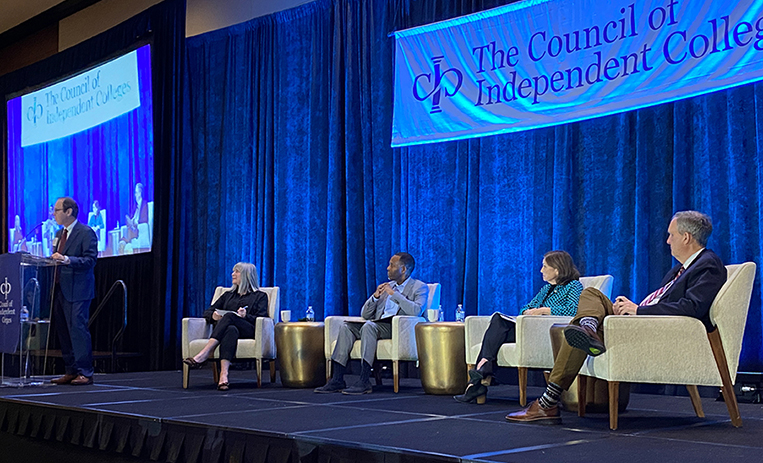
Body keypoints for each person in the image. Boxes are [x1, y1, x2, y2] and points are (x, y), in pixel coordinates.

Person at [506, 211, 727, 422]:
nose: (668, 241)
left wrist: (638, 311)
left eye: (671, 235)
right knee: (591, 295)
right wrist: (632, 308)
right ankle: (588, 327)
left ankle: (548, 401)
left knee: (580, 323)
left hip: (663, 333)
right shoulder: (679, 269)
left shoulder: (707, 264)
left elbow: (692, 307)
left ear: (686, 237)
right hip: (648, 322)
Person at [455, 250, 583, 404]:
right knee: (498, 321)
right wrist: (530, 311)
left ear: (557, 269)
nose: (541, 270)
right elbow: (525, 308)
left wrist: (543, 311)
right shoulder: (546, 289)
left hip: (547, 333)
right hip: (529, 330)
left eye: (545, 267)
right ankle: (481, 374)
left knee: (498, 326)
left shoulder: (574, 286)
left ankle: (477, 380)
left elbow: (574, 311)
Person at [315, 252, 429, 395]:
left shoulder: (419, 287)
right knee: (346, 327)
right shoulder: (388, 286)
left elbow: (416, 311)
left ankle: (364, 380)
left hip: (398, 328)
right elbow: (365, 315)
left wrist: (394, 295)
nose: (387, 268)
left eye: (392, 265)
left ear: (404, 269)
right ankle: (337, 379)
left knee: (369, 326)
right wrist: (375, 297)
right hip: (378, 323)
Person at [183, 262, 269, 391]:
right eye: (233, 271)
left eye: (236, 272)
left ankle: (204, 353)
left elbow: (263, 318)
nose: (232, 274)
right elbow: (207, 312)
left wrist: (246, 316)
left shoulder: (260, 296)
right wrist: (214, 316)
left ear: (246, 275)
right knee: (230, 329)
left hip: (249, 330)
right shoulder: (227, 295)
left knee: (229, 317)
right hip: (231, 330)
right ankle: (224, 376)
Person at [49, 197, 98, 386]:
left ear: (69, 212)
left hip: (79, 290)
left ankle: (85, 372)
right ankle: (70, 370)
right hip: (60, 289)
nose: (54, 214)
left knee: (78, 330)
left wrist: (68, 260)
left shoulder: (86, 232)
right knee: (63, 331)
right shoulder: (59, 233)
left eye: (57, 210)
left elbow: (90, 260)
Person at [118, 183, 148, 254]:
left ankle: (125, 240)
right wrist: (130, 221)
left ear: (140, 193)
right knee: (127, 220)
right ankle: (124, 241)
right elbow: (131, 217)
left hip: (138, 228)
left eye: (136, 193)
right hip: (132, 227)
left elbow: (145, 219)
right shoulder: (135, 206)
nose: (135, 195)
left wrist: (135, 222)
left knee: (125, 239)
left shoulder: (144, 204)